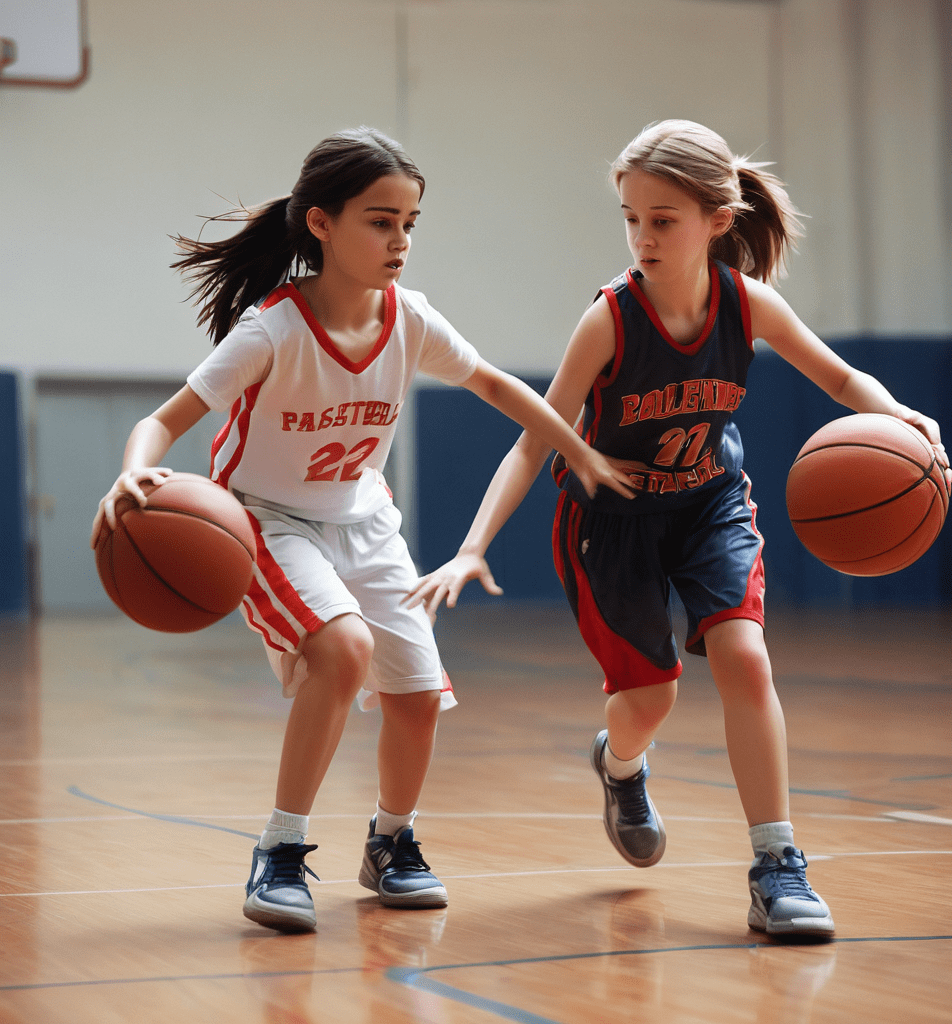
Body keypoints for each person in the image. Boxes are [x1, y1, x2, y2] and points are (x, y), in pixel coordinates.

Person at [407, 120, 952, 938]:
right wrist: (471, 547)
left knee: (744, 655)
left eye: (662, 219)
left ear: (715, 222)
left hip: (708, 506)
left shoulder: (747, 304)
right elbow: (535, 440)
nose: (642, 236)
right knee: (650, 700)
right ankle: (620, 764)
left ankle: (778, 865)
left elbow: (838, 375)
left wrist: (900, 415)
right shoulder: (611, 321)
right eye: (631, 217)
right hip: (612, 525)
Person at [90, 127, 636, 934]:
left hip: (365, 518)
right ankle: (280, 850)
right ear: (321, 223)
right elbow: (162, 419)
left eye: (410, 223)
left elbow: (490, 382)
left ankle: (390, 841)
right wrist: (133, 470)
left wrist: (577, 448)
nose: (400, 241)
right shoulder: (272, 330)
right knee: (341, 651)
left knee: (418, 696)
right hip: (268, 522)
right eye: (381, 221)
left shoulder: (409, 318)